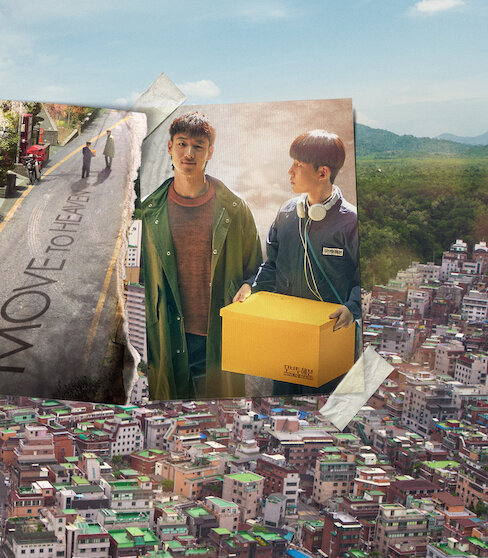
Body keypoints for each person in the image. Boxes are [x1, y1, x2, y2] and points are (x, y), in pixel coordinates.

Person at [139, 112, 262, 400]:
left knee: (220, 416)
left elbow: (257, 269)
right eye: (182, 144)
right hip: (169, 338)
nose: (189, 153)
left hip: (220, 338)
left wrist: (249, 286)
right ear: (170, 147)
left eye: (198, 146)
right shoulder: (148, 211)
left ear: (210, 152)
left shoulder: (234, 209)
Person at [232, 130, 360, 395]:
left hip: (332, 338)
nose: (290, 171)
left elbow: (364, 281)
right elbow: (272, 264)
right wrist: (251, 286)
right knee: (284, 405)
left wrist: (352, 308)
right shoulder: (288, 213)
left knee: (323, 408)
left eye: (298, 165)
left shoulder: (351, 223)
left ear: (322, 172)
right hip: (288, 335)